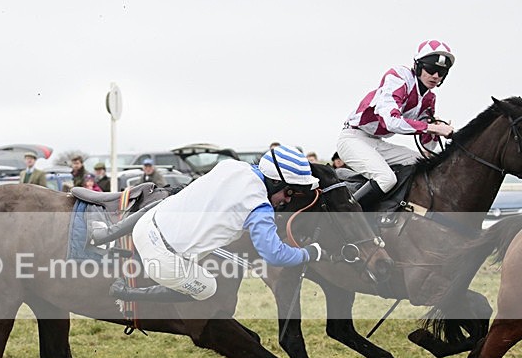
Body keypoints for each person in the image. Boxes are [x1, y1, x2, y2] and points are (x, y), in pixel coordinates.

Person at [110, 146, 328, 302]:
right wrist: (309, 253)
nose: (287, 200)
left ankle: (106, 235)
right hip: (164, 262)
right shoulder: (259, 208)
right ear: (275, 182)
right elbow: (275, 255)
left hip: (144, 225)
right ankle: (126, 294)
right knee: (207, 289)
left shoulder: (232, 166)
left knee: (169, 200)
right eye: (289, 192)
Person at [337, 39, 455, 208]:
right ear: (419, 66)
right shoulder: (399, 76)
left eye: (442, 72)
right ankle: (345, 217)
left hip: (377, 143)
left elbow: (427, 146)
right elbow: (390, 122)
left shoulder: (429, 98)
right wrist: (432, 127)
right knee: (386, 179)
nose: (436, 76)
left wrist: (434, 133)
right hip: (353, 138)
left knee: (422, 163)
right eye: (431, 69)